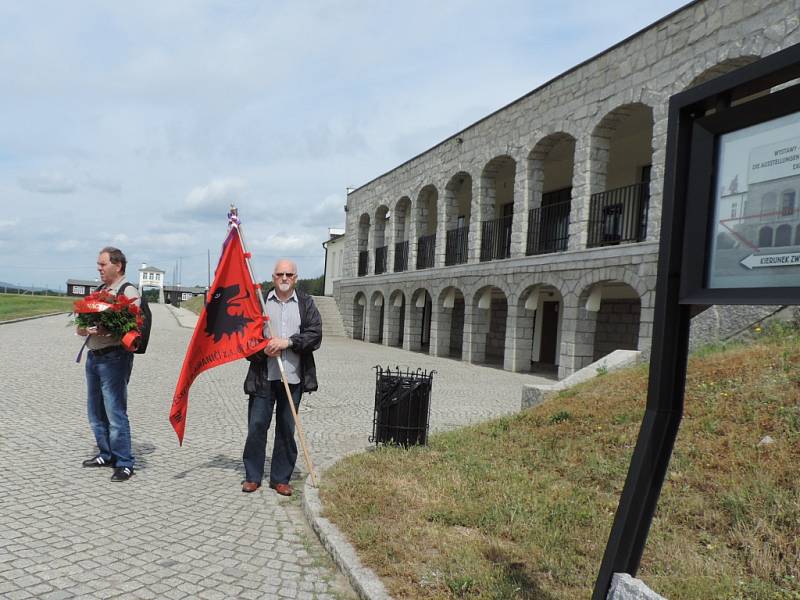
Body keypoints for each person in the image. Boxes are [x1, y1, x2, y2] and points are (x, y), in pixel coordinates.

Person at [241, 259, 322, 496]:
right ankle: (253, 476)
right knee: (256, 426)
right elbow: (246, 339)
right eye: (280, 274)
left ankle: (280, 478)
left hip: (293, 378)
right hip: (264, 376)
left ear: (296, 278)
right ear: (273, 277)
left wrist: (288, 342)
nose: (284, 278)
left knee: (287, 428)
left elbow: (315, 335)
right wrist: (263, 348)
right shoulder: (260, 303)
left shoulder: (306, 304)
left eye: (289, 274)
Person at [76, 247, 138, 482]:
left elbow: (132, 326)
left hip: (114, 358)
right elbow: (80, 326)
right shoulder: (99, 291)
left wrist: (109, 327)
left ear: (118, 265)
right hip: (93, 356)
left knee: (115, 411)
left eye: (102, 264)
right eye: (98, 264)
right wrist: (86, 328)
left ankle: (124, 462)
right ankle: (106, 453)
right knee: (95, 411)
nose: (99, 268)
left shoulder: (128, 291)